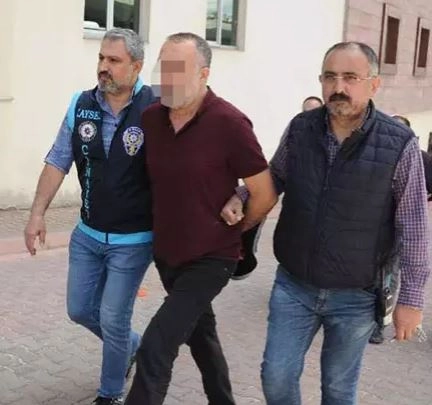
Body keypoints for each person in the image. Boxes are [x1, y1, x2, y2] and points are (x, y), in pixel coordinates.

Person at [221, 42, 430, 405]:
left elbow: (413, 225)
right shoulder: (301, 128)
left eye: (350, 78)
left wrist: (411, 300)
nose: (339, 87)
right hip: (294, 286)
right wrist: (241, 195)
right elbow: (276, 175)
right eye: (330, 77)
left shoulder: (399, 144)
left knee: (337, 389)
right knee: (276, 376)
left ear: (374, 84)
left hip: (356, 295)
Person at [125, 32, 277, 405]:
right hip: (168, 255)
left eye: (178, 69)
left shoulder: (230, 123)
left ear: (203, 74)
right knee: (202, 338)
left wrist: (236, 230)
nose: (168, 78)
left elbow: (264, 193)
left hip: (212, 257)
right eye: (164, 67)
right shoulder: (151, 119)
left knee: (156, 346)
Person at [24, 29, 155, 405]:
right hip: (88, 235)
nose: (103, 67)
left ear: (136, 66)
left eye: (114, 61)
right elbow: (57, 160)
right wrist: (36, 214)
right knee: (79, 309)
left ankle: (110, 393)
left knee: (113, 316)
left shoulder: (157, 107)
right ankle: (131, 344)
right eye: (101, 58)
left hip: (134, 239)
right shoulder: (80, 104)